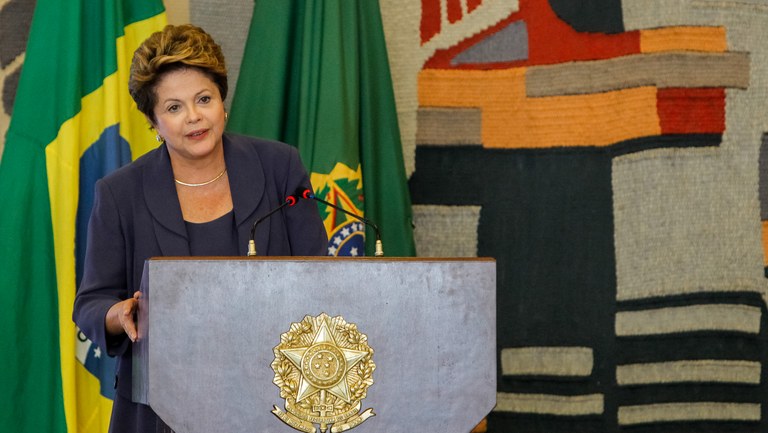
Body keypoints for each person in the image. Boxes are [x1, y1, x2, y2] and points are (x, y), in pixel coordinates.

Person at [72, 24, 327, 432]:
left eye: (203, 99)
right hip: (161, 404)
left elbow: (323, 276)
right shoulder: (120, 193)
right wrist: (119, 313)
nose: (193, 117)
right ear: (153, 121)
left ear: (222, 102)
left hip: (275, 395)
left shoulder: (280, 168)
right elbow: (90, 303)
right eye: (173, 108)